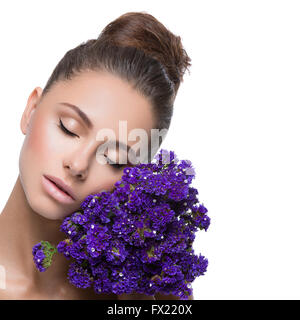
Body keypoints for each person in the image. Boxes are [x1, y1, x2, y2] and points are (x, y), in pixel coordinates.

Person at [0, 11, 193, 300]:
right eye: (69, 128)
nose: (77, 165)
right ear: (32, 109)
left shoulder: (148, 296)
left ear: (138, 177)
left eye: (114, 159)